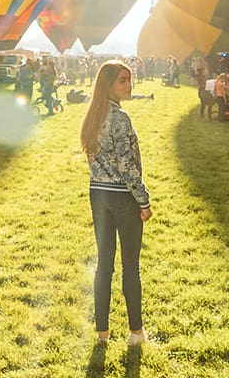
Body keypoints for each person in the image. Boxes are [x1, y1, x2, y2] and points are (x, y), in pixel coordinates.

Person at [80, 60, 151, 348]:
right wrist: (143, 200)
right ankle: (136, 332)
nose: (128, 85)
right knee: (130, 266)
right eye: (122, 80)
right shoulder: (120, 119)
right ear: (108, 84)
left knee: (104, 264)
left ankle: (102, 332)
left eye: (129, 79)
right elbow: (127, 165)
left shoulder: (93, 115)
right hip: (122, 196)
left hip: (98, 194)